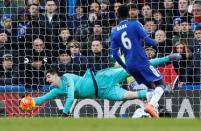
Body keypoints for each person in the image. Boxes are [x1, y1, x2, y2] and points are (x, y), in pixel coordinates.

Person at [111, 5, 164, 118]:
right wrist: (158, 42)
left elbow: (115, 54)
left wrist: (125, 67)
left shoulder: (114, 33)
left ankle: (149, 114)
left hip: (130, 65)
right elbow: (148, 40)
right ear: (128, 13)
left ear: (117, 16)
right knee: (160, 83)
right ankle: (151, 105)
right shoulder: (135, 24)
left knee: (150, 86)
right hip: (141, 61)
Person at [33, 68, 148, 117]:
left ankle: (165, 58)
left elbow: (71, 96)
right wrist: (27, 102)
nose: (47, 80)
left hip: (102, 78)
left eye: (48, 77)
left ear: (56, 75)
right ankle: (152, 93)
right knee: (129, 96)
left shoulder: (67, 78)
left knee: (132, 70)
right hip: (103, 92)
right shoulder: (56, 91)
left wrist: (65, 113)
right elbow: (41, 100)